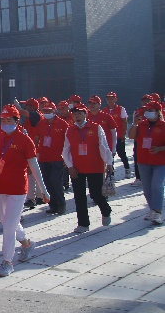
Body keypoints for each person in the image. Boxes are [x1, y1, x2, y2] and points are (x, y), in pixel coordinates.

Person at [0, 105, 49, 277]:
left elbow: (34, 166)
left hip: (17, 189)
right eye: (3, 120)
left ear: (17, 121)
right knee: (6, 221)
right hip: (0, 186)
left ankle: (7, 261)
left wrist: (43, 190)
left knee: (9, 226)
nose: (5, 123)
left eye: (9, 120)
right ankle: (27, 244)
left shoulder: (25, 140)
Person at [62, 104, 114, 234]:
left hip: (95, 166)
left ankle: (105, 210)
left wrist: (109, 162)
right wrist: (70, 166)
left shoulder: (96, 127)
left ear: (85, 114)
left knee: (96, 194)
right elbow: (66, 150)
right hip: (77, 168)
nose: (77, 116)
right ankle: (83, 223)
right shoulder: (70, 130)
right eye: (74, 114)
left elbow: (103, 146)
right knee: (79, 196)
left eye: (79, 113)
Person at [128, 101, 165, 225]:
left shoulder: (163, 125)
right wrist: (134, 123)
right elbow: (131, 136)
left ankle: (158, 212)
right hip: (143, 161)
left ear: (157, 112)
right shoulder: (141, 124)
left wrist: (160, 148)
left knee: (157, 186)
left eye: (150, 110)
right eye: (146, 110)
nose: (147, 113)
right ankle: (152, 209)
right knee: (147, 189)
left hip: (160, 162)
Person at [34, 100, 70, 215]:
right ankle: (53, 205)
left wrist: (67, 157)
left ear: (54, 111)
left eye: (49, 111)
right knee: (46, 182)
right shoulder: (41, 124)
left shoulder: (63, 124)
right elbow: (36, 139)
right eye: (44, 111)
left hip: (58, 158)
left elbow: (69, 141)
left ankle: (61, 204)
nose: (46, 112)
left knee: (56, 181)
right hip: (44, 158)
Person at [104, 92, 131, 178]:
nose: (110, 100)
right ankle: (111, 173)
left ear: (116, 99)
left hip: (119, 135)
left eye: (112, 98)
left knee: (121, 153)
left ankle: (127, 168)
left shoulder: (120, 109)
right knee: (110, 154)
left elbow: (124, 121)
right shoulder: (104, 110)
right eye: (108, 98)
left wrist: (124, 134)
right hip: (108, 137)